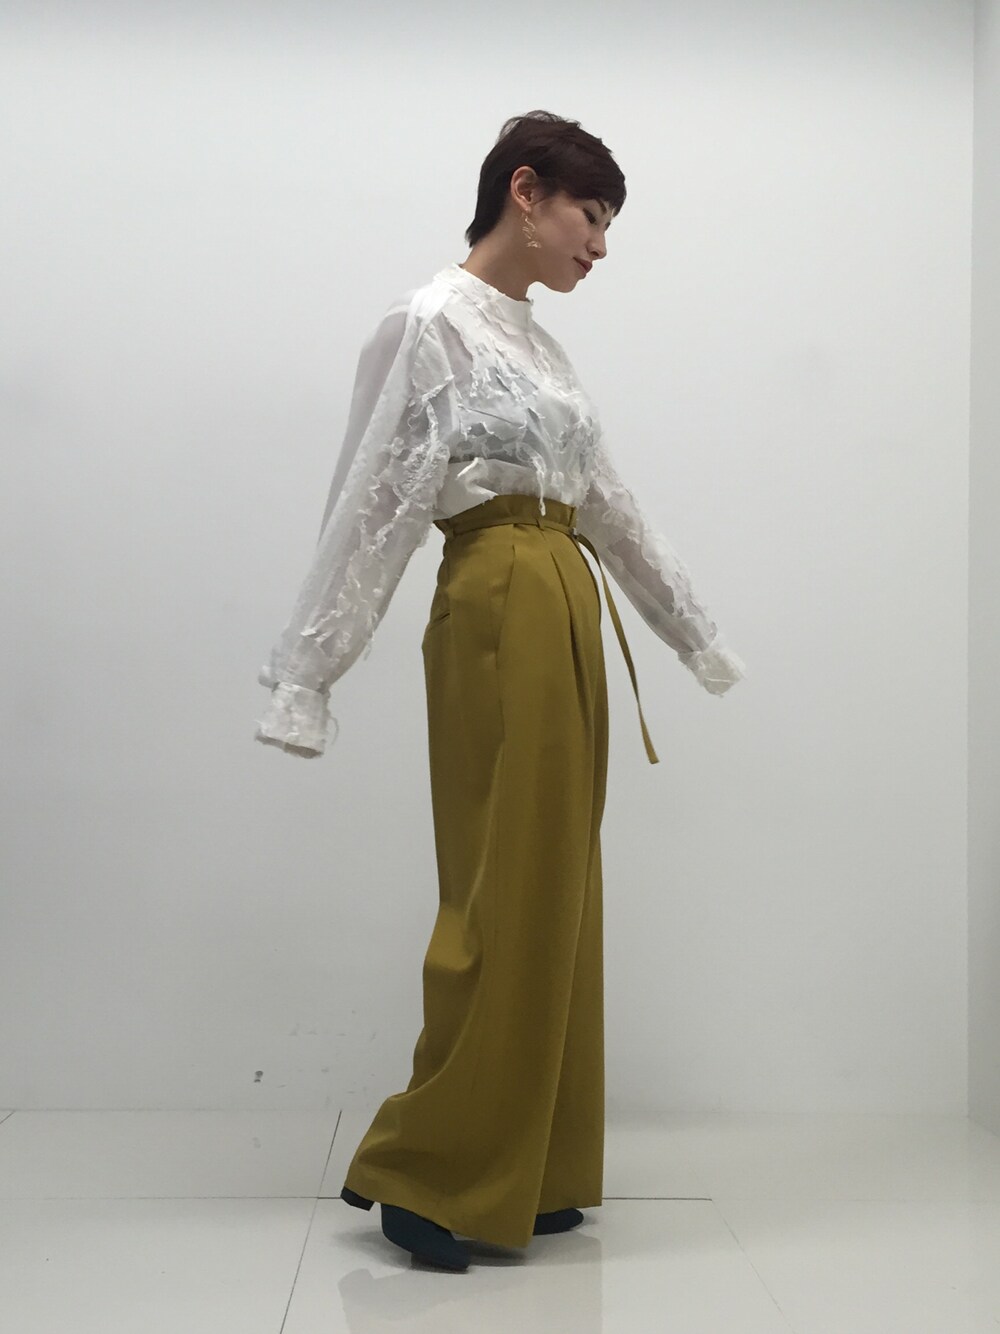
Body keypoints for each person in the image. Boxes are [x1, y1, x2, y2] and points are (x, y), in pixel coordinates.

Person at [255, 109, 746, 1270]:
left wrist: (693, 633)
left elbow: (608, 501)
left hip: (565, 594)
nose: (600, 245)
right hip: (497, 599)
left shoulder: (543, 350)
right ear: (525, 193)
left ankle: (532, 1161)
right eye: (590, 215)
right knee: (499, 884)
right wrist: (306, 675)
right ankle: (429, 1169)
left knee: (561, 885)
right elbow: (370, 501)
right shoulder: (427, 323)